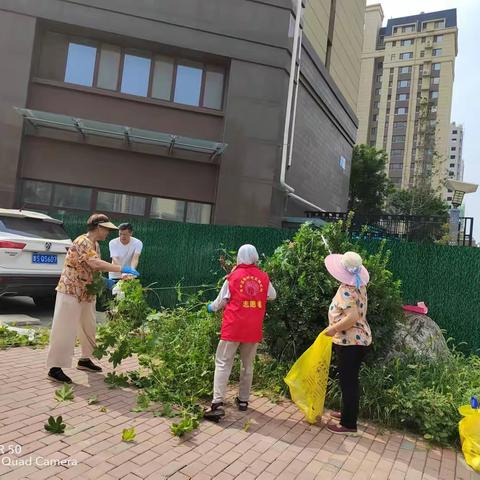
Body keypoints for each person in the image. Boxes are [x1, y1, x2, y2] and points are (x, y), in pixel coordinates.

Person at [46, 214, 140, 384]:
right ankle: (55, 368)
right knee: (65, 329)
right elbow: (96, 264)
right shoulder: (82, 241)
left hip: (87, 293)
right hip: (71, 291)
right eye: (107, 230)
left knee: (88, 326)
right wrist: (122, 268)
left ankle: (85, 359)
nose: (108, 233)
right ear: (98, 227)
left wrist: (108, 282)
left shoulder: (95, 245)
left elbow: (93, 269)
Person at [204, 244, 277, 421]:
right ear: (255, 257)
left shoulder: (233, 276)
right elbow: (273, 295)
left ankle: (217, 403)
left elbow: (220, 301)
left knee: (223, 362)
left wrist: (210, 308)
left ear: (239, 257)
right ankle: (243, 400)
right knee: (247, 365)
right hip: (253, 328)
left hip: (233, 326)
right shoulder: (263, 277)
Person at [324, 251, 372, 435]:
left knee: (348, 382)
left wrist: (334, 328)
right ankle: (347, 413)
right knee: (349, 380)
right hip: (359, 339)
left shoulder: (347, 289)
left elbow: (351, 317)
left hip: (349, 341)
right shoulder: (360, 286)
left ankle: (348, 424)